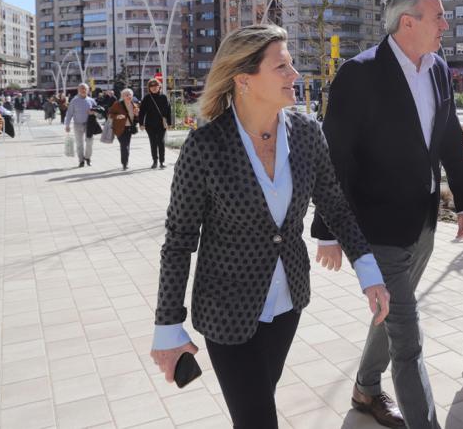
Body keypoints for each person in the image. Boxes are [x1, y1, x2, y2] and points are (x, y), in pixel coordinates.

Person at [150, 25, 390, 429]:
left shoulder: (307, 134)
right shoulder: (206, 147)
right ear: (244, 79)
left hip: (287, 303)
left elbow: (333, 203)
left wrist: (369, 274)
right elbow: (178, 242)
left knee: (257, 404)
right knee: (258, 418)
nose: (295, 74)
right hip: (227, 311)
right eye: (282, 66)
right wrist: (167, 325)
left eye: (291, 64)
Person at [311, 0, 463, 429]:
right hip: (376, 228)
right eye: (439, 16)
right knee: (408, 337)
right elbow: (334, 157)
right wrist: (327, 232)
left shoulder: (439, 69)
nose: (445, 24)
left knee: (389, 313)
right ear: (408, 21)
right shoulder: (359, 74)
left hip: (422, 224)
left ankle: (366, 389)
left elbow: (447, 140)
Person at [139, 79, 172, 169]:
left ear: (159, 87)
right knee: (153, 143)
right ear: (149, 88)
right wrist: (141, 123)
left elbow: (169, 111)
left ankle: (162, 161)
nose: (154, 88)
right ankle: (155, 161)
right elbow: (142, 112)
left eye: (155, 86)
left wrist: (169, 123)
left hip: (162, 124)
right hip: (150, 125)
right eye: (151, 86)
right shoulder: (146, 98)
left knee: (161, 142)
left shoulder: (164, 97)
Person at [64, 83, 98, 168]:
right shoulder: (74, 101)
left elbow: (99, 112)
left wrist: (94, 112)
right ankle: (81, 161)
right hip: (77, 125)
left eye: (85, 89)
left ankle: (88, 158)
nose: (83, 90)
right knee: (79, 144)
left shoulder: (91, 100)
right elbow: (69, 114)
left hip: (89, 125)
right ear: (78, 90)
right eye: (81, 89)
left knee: (90, 142)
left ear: (88, 90)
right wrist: (67, 125)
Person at [108, 88, 140, 170]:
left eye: (130, 95)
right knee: (124, 145)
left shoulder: (134, 105)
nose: (129, 96)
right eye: (126, 95)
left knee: (126, 145)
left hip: (129, 128)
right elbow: (110, 114)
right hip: (119, 128)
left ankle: (125, 162)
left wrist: (137, 114)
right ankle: (124, 163)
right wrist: (117, 116)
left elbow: (136, 119)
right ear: (123, 96)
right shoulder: (117, 104)